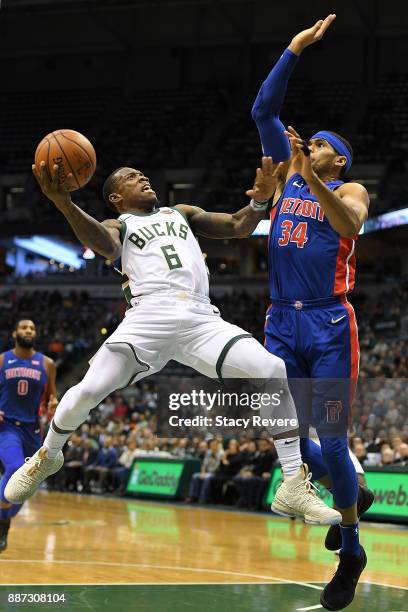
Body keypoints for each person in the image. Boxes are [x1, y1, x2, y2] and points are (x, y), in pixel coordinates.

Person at [6, 157, 341, 526]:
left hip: (200, 317)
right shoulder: (118, 223)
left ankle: (292, 482)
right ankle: (48, 455)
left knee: (271, 367)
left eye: (143, 173)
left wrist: (260, 202)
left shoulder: (181, 212)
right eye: (133, 178)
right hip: (148, 316)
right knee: (87, 391)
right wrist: (63, 202)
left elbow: (236, 225)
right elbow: (103, 244)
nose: (143, 177)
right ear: (117, 196)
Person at [251, 15, 374, 610]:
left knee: (330, 433)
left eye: (326, 145)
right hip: (279, 319)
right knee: (285, 431)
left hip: (328, 324)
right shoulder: (289, 173)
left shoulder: (349, 191)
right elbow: (263, 113)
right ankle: (353, 495)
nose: (314, 145)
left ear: (339, 162)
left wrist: (308, 176)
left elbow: (349, 225)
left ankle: (351, 549)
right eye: (314, 140)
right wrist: (293, 48)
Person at [0, 319, 58, 552]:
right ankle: (3, 522)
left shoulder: (47, 364)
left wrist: (54, 403)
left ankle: (4, 518)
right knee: (15, 467)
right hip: (7, 427)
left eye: (33, 328)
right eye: (24, 328)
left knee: (26, 486)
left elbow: (52, 395)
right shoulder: (2, 360)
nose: (29, 331)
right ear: (15, 333)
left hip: (33, 430)